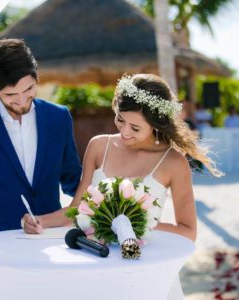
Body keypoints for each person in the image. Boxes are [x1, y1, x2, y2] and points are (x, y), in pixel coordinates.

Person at [22, 73, 222, 299]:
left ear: (156, 123)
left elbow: (188, 232)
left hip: (146, 269)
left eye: (135, 128)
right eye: (120, 119)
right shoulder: (99, 146)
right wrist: (41, 221)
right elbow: (78, 209)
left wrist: (134, 227)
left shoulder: (173, 162)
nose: (125, 132)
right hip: (95, 265)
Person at [0, 38, 82, 300]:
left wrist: (103, 204)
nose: (22, 100)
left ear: (36, 78)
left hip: (51, 248)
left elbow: (72, 178)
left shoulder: (59, 117)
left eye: (29, 89)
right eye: (10, 94)